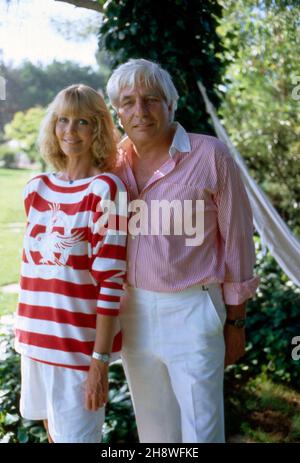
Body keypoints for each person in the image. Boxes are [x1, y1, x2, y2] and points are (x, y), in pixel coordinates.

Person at [106, 58, 259, 443]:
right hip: (133, 311)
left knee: (202, 431)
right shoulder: (110, 164)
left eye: (151, 99)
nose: (140, 111)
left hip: (194, 310)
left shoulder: (211, 156)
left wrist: (236, 323)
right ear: (117, 111)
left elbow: (238, 242)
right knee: (155, 433)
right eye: (128, 101)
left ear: (171, 104)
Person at [15, 84, 128, 443]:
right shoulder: (36, 188)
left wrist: (100, 360)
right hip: (33, 342)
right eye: (62, 120)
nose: (69, 130)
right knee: (52, 435)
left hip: (77, 349)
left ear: (98, 129)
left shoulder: (108, 190)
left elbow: (112, 281)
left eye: (82, 122)